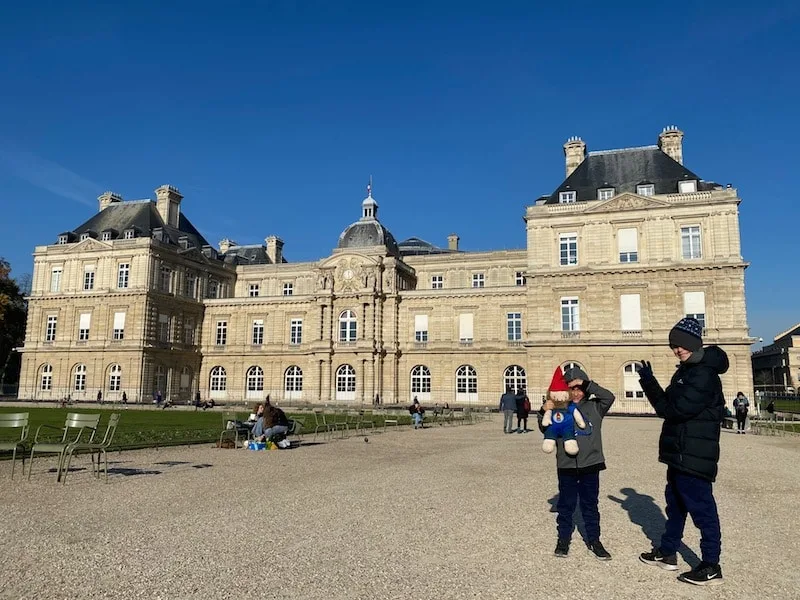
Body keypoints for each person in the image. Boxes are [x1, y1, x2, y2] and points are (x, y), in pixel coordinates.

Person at [638, 316, 727, 586]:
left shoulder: (703, 374)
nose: (677, 349)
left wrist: (652, 387)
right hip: (680, 451)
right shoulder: (687, 370)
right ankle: (667, 552)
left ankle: (711, 565)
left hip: (693, 454)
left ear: (695, 343)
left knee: (702, 510)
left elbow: (671, 410)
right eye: (674, 345)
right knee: (675, 505)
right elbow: (667, 404)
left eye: (681, 344)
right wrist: (649, 381)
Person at [538, 365, 615, 560]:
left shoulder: (595, 407)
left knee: (590, 504)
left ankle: (594, 540)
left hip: (591, 463)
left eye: (579, 388)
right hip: (566, 464)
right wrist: (543, 409)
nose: (576, 393)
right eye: (571, 389)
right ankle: (563, 539)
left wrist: (587, 384)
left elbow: (609, 397)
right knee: (566, 504)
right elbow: (543, 427)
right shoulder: (559, 409)